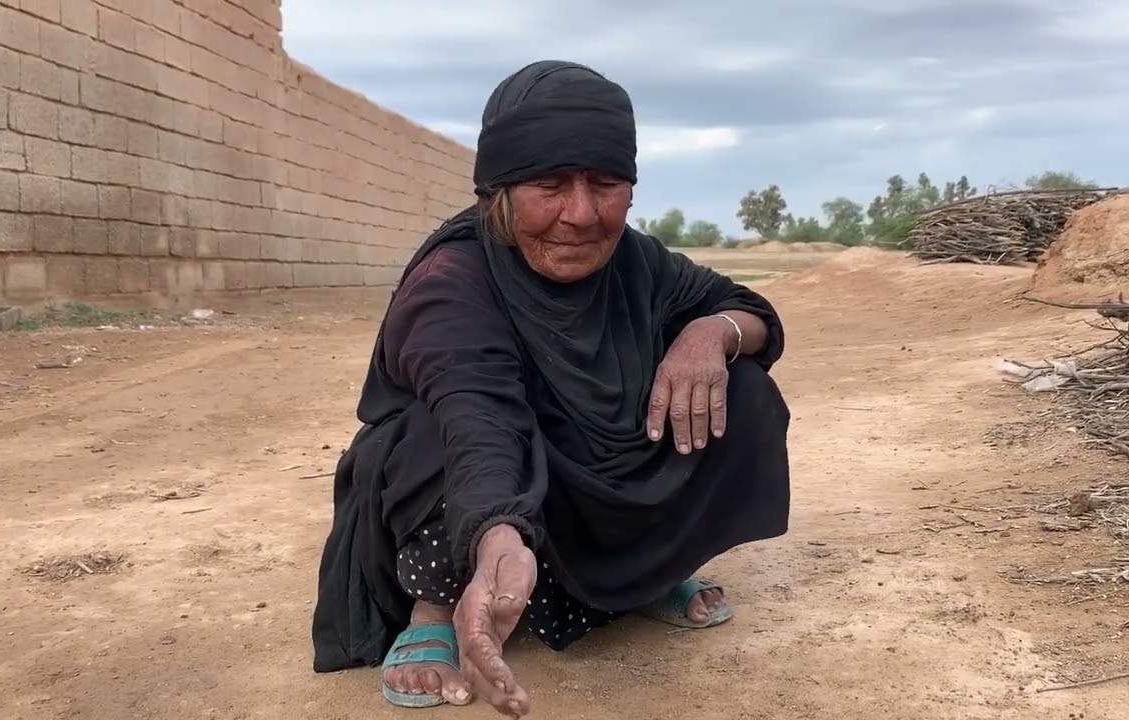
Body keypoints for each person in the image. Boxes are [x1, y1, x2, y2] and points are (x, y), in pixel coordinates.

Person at [309, 59, 791, 717]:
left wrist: (711, 333)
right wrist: (497, 537)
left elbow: (747, 309)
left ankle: (639, 576)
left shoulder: (636, 261)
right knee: (433, 430)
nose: (583, 214)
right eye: (550, 185)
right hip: (482, 469)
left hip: (573, 482)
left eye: (606, 183)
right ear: (497, 191)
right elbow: (479, 418)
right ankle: (439, 601)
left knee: (739, 385)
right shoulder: (452, 280)